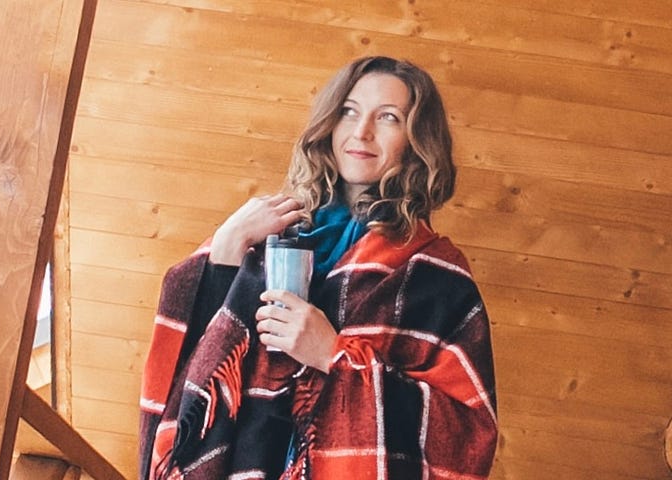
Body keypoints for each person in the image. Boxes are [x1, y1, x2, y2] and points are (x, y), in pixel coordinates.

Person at [136, 56, 498, 480]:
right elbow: (189, 365)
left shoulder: (436, 273)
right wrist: (227, 248)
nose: (361, 132)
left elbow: (467, 437)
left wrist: (334, 356)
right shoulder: (270, 231)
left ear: (417, 140)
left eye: (388, 118)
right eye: (349, 110)